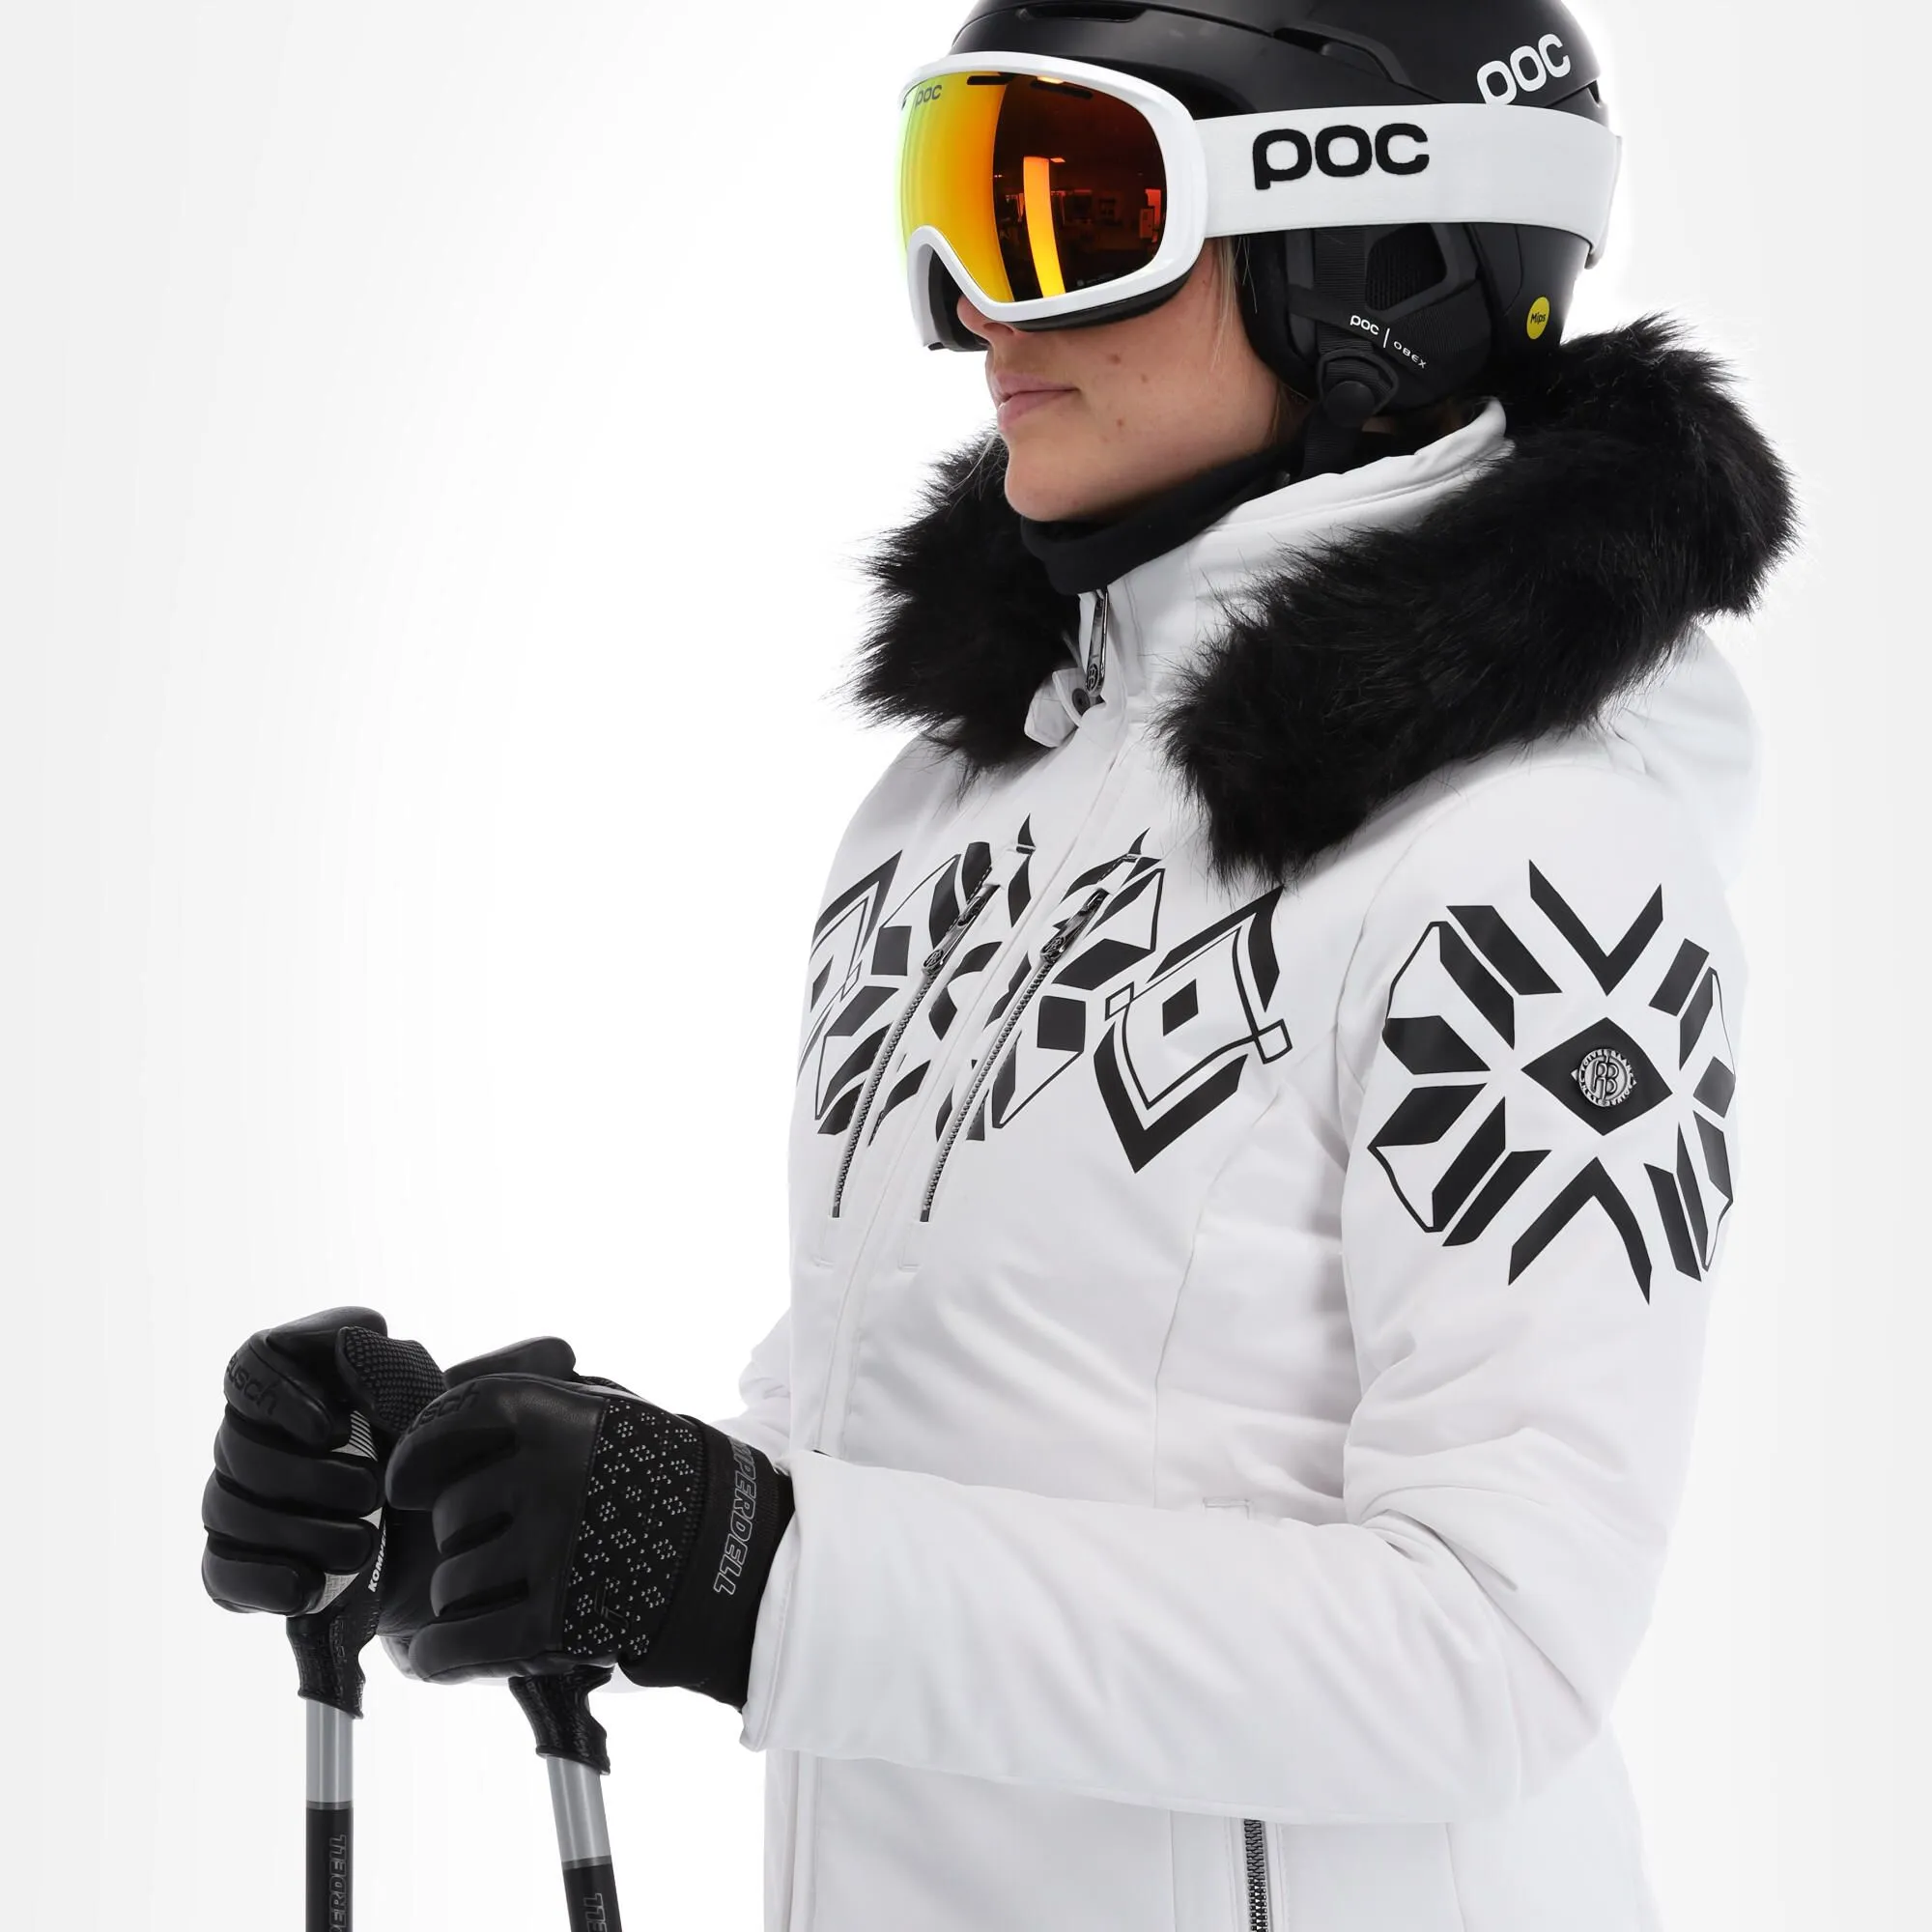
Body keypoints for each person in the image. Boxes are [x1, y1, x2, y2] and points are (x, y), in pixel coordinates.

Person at [201, 4, 1798, 1927]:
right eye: (956, 200)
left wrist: (741, 1566)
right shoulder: (958, 803)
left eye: (1077, 210)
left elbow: (1492, 1648)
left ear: (1370, 260)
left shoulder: (1543, 870)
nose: (976, 305)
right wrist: (503, 1511)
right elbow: (900, 1435)